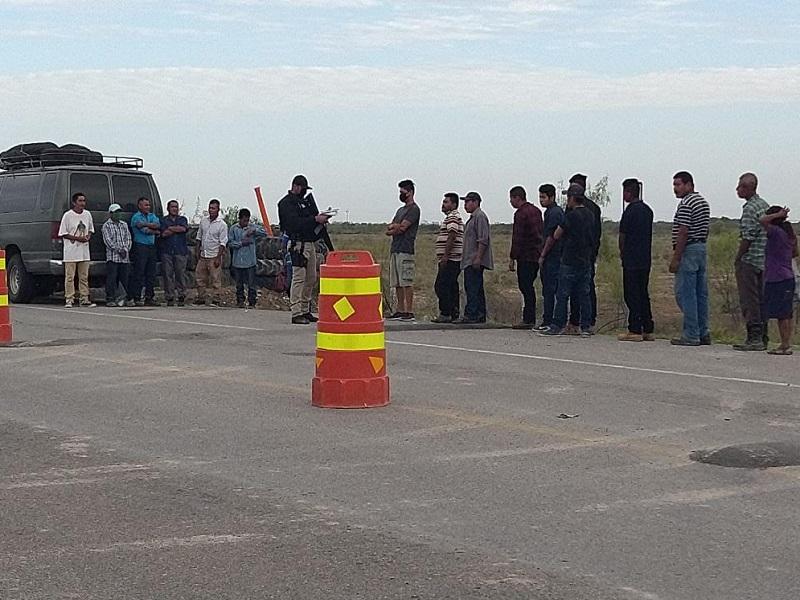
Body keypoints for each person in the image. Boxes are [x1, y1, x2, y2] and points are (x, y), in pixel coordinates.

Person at [539, 184, 593, 337]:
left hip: (569, 260)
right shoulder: (590, 215)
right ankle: (586, 326)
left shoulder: (570, 216)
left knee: (562, 294)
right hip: (585, 259)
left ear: (572, 198)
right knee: (584, 294)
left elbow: (556, 234)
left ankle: (557, 325)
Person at [277, 175, 331, 324]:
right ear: (295, 186)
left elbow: (309, 219)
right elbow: (293, 223)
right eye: (302, 188)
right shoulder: (286, 204)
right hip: (298, 244)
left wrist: (319, 219)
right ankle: (296, 312)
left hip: (309, 243)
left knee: (311, 278)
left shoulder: (303, 202)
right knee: (299, 278)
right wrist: (314, 220)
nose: (303, 191)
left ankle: (305, 309)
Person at [669, 171, 711, 346]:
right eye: (674, 185)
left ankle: (691, 334)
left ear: (689, 184)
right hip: (700, 248)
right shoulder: (703, 202)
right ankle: (703, 332)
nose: (675, 189)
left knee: (685, 294)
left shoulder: (686, 203)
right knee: (700, 294)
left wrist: (676, 257)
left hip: (689, 250)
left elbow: (683, 231)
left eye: (678, 185)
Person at [732, 173, 770, 351]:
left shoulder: (749, 208)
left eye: (740, 186)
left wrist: (738, 257)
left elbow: (748, 236)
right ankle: (763, 336)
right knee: (761, 299)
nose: (737, 189)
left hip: (750, 259)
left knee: (749, 300)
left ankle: (754, 337)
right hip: (764, 259)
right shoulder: (763, 205)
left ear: (748, 187)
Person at [617, 178, 655, 342]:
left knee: (631, 294)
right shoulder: (648, 211)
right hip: (645, 258)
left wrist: (622, 252)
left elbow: (622, 236)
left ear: (628, 192)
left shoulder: (629, 211)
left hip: (631, 259)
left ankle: (634, 329)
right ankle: (648, 328)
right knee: (643, 293)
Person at [565, 173, 602, 333]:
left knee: (573, 289)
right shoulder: (594, 208)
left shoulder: (572, 209)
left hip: (573, 255)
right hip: (588, 253)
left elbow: (565, 230)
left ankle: (574, 321)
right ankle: (589, 321)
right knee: (587, 289)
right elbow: (597, 234)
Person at [759, 206, 797, 355]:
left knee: (782, 314)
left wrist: (778, 214)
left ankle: (785, 345)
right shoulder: (789, 234)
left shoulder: (776, 232)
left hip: (778, 277)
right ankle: (785, 343)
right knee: (785, 313)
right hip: (786, 276)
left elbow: (762, 220)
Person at [385, 179, 421, 321]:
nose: (400, 194)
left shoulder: (414, 210)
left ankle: (409, 310)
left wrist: (396, 227)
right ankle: (400, 309)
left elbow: (402, 228)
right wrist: (395, 228)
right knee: (397, 282)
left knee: (406, 280)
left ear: (410, 192)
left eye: (402, 192)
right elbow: (392, 227)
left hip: (406, 249)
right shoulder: (400, 210)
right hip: (395, 249)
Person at [508, 186, 543, 329]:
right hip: (537, 254)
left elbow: (518, 238)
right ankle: (530, 317)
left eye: (511, 198)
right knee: (529, 287)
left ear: (517, 197)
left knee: (525, 286)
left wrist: (512, 257)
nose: (510, 202)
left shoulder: (520, 214)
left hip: (525, 255)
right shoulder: (536, 211)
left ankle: (528, 319)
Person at [458, 192, 493, 324]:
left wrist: (478, 257)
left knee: (473, 287)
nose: (465, 205)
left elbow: (483, 239)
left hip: (474, 259)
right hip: (469, 259)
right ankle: (478, 313)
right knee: (474, 287)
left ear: (476, 202)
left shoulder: (480, 217)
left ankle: (473, 313)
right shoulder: (473, 218)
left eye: (467, 202)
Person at [58, 192, 96, 308]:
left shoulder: (87, 214)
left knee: (83, 276)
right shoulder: (68, 215)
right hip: (71, 251)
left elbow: (90, 229)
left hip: (84, 252)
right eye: (80, 201)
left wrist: (88, 236)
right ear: (74, 202)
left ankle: (84, 298)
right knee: (70, 277)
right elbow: (63, 233)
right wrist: (78, 238)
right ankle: (69, 298)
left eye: (83, 201)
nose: (82, 203)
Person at [431, 192, 464, 324]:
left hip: (451, 259)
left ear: (454, 204)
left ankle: (446, 312)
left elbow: (452, 235)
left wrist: (446, 255)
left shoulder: (453, 217)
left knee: (441, 285)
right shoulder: (451, 217)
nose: (443, 204)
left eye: (446, 202)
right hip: (452, 258)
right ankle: (454, 312)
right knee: (451, 286)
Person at [535, 184, 563, 332]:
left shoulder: (554, 213)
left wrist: (543, 255)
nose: (541, 200)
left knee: (550, 290)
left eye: (544, 197)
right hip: (553, 257)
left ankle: (549, 320)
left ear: (552, 197)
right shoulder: (549, 212)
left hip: (553, 257)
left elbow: (552, 237)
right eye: (540, 197)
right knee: (549, 289)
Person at [228, 208, 267, 308]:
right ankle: (240, 301)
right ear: (239, 219)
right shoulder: (233, 229)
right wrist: (241, 243)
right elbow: (230, 243)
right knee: (239, 284)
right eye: (244, 220)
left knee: (251, 284)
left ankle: (252, 302)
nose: (246, 222)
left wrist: (254, 231)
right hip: (237, 261)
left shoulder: (252, 228)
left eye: (247, 220)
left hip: (250, 261)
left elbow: (265, 233)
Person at [195, 198, 228, 307]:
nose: (211, 210)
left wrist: (218, 257)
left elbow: (223, 243)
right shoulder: (203, 221)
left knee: (215, 279)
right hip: (203, 255)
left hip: (214, 255)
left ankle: (216, 299)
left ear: (218, 210)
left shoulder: (222, 225)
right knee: (200, 277)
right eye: (210, 208)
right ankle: (201, 297)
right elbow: (199, 237)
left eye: (213, 208)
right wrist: (197, 252)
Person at [128, 196, 161, 307]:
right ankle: (136, 297)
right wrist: (153, 230)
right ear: (139, 206)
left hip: (151, 247)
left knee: (151, 273)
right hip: (140, 246)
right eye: (145, 205)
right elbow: (145, 231)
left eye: (149, 205)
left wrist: (147, 225)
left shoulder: (152, 216)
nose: (148, 207)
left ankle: (149, 297)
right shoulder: (136, 217)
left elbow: (158, 226)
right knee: (139, 272)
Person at [101, 203, 133, 307]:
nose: (118, 214)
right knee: (112, 279)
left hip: (125, 258)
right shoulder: (106, 225)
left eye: (119, 212)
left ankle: (126, 298)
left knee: (125, 279)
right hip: (113, 257)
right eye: (116, 212)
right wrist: (118, 250)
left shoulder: (124, 225)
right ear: (110, 214)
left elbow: (128, 239)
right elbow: (108, 241)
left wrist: (125, 249)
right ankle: (110, 298)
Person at [160, 199, 190, 307]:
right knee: (168, 274)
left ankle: (181, 295)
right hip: (167, 251)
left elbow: (183, 229)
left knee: (180, 274)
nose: (174, 209)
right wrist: (174, 229)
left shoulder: (182, 219)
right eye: (172, 207)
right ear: (168, 208)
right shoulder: (163, 220)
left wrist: (171, 229)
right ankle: (169, 297)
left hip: (180, 251)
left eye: (176, 207)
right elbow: (163, 234)